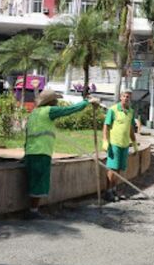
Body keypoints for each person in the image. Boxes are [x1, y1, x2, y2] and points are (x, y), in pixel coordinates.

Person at [24, 89, 100, 218]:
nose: (57, 102)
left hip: (31, 152)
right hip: (42, 151)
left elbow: (27, 134)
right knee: (39, 182)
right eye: (56, 100)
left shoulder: (34, 113)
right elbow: (69, 110)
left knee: (33, 181)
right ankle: (33, 211)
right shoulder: (49, 111)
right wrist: (87, 102)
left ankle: (32, 210)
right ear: (51, 101)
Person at [103, 90, 137, 202]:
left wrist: (134, 143)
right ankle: (108, 192)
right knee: (112, 168)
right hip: (114, 144)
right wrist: (105, 140)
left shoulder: (131, 112)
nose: (126, 98)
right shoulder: (113, 110)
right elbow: (106, 126)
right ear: (120, 97)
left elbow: (131, 129)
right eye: (124, 96)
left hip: (125, 144)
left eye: (128, 97)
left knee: (119, 169)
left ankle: (114, 190)